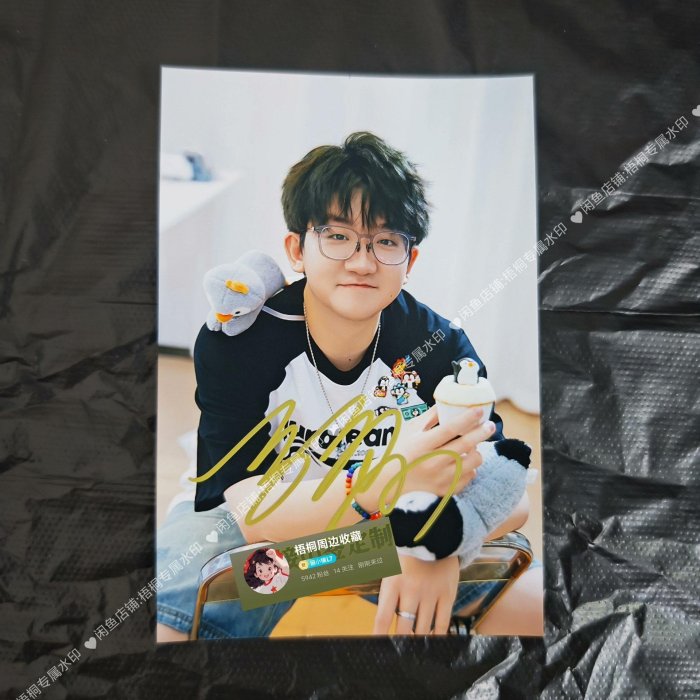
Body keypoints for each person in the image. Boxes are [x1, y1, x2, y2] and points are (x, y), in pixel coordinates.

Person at [156, 132, 542, 641]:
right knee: (170, 616)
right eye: (337, 236)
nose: (362, 262)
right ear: (296, 249)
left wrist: (435, 543)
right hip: (265, 543)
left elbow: (510, 493)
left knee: (541, 606)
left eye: (386, 241)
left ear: (410, 261)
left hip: (387, 532)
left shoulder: (440, 347)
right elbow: (252, 513)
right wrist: (381, 486)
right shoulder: (238, 342)